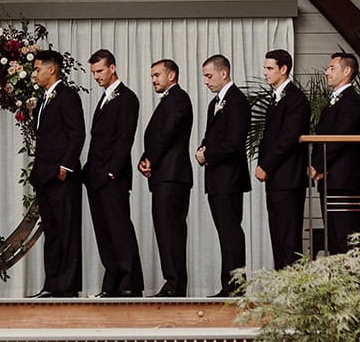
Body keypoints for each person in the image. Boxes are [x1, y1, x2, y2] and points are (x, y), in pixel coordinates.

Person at [84, 49, 143, 297]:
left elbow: (124, 139)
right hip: (95, 176)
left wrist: (111, 172)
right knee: (104, 232)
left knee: (119, 229)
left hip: (112, 177)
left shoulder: (127, 97)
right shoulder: (104, 97)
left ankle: (130, 283)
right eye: (93, 72)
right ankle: (112, 284)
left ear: (112, 68)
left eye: (100, 71)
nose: (96, 76)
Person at [28, 49, 83, 298]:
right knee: (51, 230)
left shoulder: (67, 95)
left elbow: (76, 133)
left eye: (37, 69)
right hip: (44, 176)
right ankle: (52, 284)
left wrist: (65, 167)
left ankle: (68, 286)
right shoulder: (43, 99)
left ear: (53, 69)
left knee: (67, 229)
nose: (34, 74)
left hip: (61, 176)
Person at [139, 58, 193, 297]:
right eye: (152, 76)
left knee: (170, 230)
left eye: (157, 75)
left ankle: (175, 285)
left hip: (172, 175)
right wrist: (146, 157)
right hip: (165, 174)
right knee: (165, 230)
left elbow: (167, 132)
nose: (153, 80)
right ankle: (172, 282)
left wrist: (150, 157)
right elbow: (158, 136)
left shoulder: (179, 99)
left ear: (171, 76)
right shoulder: (171, 100)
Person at [196, 54, 248, 297]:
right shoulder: (214, 103)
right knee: (224, 232)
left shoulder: (237, 101)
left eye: (209, 76)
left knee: (231, 232)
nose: (206, 81)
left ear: (223, 73)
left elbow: (235, 142)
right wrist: (202, 148)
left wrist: (209, 154)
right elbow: (213, 136)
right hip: (216, 178)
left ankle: (236, 285)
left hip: (230, 178)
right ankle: (228, 284)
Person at [255, 49, 311, 269]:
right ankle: (281, 279)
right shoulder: (276, 98)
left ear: (284, 69)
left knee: (288, 235)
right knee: (277, 233)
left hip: (288, 177)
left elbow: (288, 139)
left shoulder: (296, 100)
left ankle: (291, 283)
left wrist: (266, 166)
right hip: (277, 178)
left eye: (270, 68)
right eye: (265, 68)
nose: (265, 73)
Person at [310, 51, 360, 255]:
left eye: (332, 68)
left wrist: (317, 164)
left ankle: (349, 282)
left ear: (347, 71)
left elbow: (339, 138)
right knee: (332, 236)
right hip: (330, 177)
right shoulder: (335, 100)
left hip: (342, 178)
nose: (327, 72)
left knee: (343, 235)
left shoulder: (351, 102)